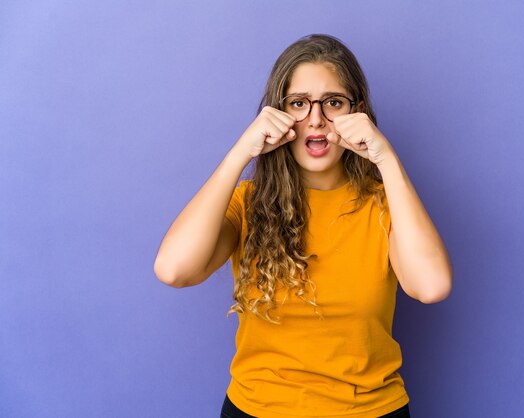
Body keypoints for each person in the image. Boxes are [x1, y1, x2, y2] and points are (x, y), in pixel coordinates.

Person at [154, 34, 453, 418]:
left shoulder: (388, 204)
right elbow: (173, 270)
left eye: (333, 103)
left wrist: (387, 159)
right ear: (277, 114)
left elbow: (432, 286)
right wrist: (241, 152)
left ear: (356, 112)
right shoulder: (247, 202)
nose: (315, 118)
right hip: (258, 410)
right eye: (298, 104)